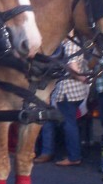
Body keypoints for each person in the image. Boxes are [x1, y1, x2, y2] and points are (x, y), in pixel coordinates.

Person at [35, 37, 90, 166]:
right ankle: (49, 152)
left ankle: (73, 156)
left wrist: (81, 77)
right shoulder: (72, 43)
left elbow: (72, 66)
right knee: (65, 122)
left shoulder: (69, 45)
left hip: (67, 91)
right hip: (71, 91)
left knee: (68, 124)